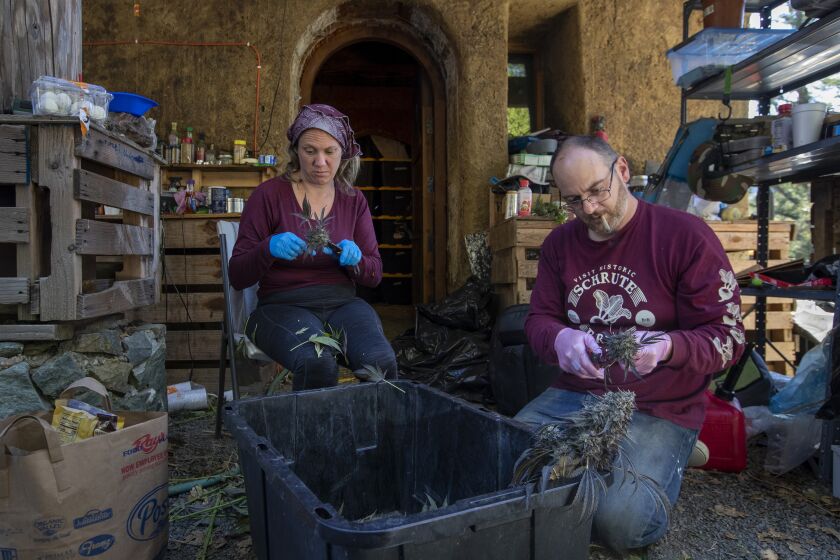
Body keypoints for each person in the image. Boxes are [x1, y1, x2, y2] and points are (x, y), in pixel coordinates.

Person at [517, 135, 746, 553]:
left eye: (596, 191)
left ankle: (672, 453)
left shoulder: (686, 237)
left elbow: (727, 339)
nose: (588, 209)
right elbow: (538, 321)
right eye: (573, 200)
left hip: (660, 406)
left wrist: (666, 347)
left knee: (619, 525)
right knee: (503, 466)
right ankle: (603, 470)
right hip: (574, 394)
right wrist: (560, 337)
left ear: (621, 171)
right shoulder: (559, 245)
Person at [228, 104, 398, 391]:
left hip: (342, 304)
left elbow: (374, 274)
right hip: (282, 306)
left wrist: (356, 260)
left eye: (329, 152)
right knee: (316, 362)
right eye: (310, 151)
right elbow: (237, 275)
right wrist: (268, 248)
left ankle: (375, 434)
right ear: (296, 151)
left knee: (380, 363)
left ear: (342, 153)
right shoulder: (268, 196)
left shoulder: (353, 201)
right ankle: (310, 436)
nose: (320, 162)